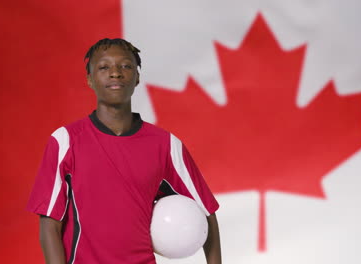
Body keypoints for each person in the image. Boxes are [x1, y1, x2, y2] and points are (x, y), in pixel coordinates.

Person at [26, 38, 221, 264]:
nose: (115, 73)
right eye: (104, 67)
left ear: (137, 77)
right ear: (90, 79)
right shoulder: (65, 141)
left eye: (126, 66)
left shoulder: (165, 145)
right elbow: (50, 225)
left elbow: (206, 212)